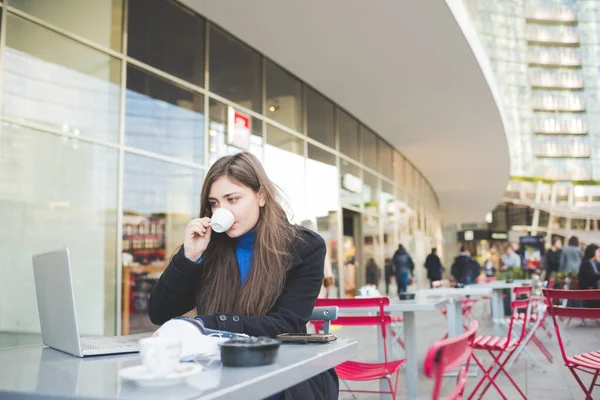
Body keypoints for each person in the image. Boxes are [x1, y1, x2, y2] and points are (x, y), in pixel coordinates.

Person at [148, 152, 338, 399]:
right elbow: (159, 312)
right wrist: (189, 258)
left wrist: (204, 326)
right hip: (218, 373)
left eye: (232, 199)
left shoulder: (303, 247)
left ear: (260, 196)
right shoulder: (210, 247)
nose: (221, 211)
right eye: (214, 203)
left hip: (282, 374)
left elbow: (286, 325)